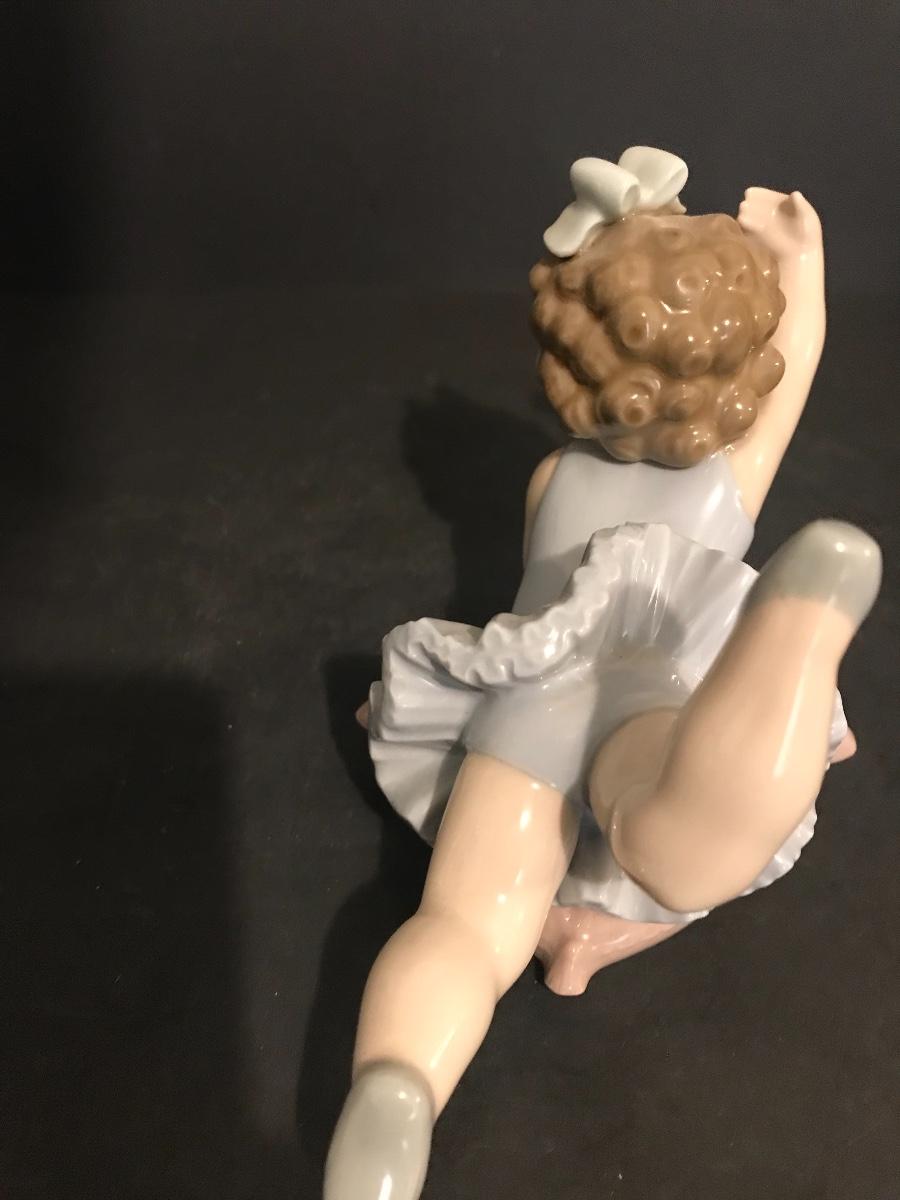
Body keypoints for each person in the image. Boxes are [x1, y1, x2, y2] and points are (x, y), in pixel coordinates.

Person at [323, 149, 882, 1200]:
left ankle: (398, 1086)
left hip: (532, 690)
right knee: (660, 802)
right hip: (657, 690)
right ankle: (769, 687)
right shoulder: (726, 480)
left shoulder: (554, 477)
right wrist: (802, 264)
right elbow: (797, 358)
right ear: (736, 379)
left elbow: (539, 598)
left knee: (462, 924)